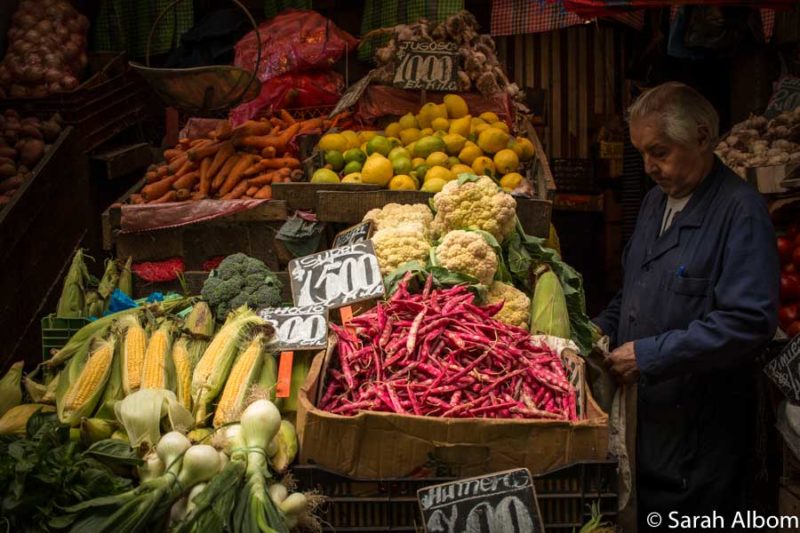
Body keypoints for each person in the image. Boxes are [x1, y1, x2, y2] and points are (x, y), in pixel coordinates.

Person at [594, 82, 779, 531]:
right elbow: (634, 288)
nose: (649, 167)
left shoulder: (741, 212)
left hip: (705, 436)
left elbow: (748, 321)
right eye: (642, 153)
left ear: (701, 137)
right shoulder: (657, 201)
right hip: (653, 425)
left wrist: (649, 354)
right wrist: (595, 330)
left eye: (659, 151)